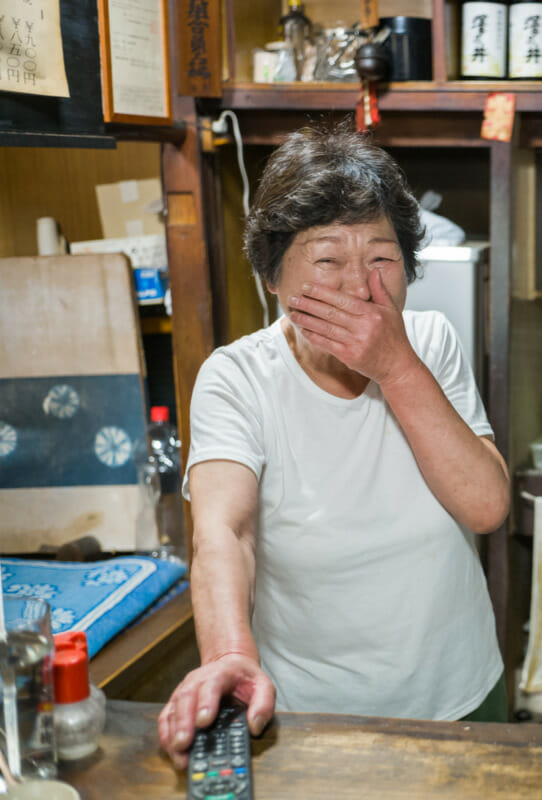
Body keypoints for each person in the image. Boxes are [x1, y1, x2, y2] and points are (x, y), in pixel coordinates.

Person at [157, 126, 511, 769]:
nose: (360, 286)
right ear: (272, 276)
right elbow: (224, 533)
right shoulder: (237, 377)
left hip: (461, 698)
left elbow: (485, 506)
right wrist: (231, 654)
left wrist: (397, 367)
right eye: (327, 261)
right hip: (311, 718)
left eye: (382, 258)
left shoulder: (429, 342)